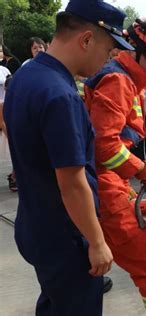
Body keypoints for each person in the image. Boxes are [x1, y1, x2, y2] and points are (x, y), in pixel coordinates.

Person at [2, 0, 132, 313]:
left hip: (36, 224)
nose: (110, 59)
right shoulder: (61, 96)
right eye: (109, 50)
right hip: (67, 237)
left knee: (54, 305)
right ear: (87, 39)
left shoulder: (25, 76)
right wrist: (97, 242)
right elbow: (72, 182)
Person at [84, 17, 146, 315]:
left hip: (109, 184)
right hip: (104, 186)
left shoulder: (128, 79)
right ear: (139, 52)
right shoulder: (119, 81)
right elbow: (105, 147)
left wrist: (137, 198)